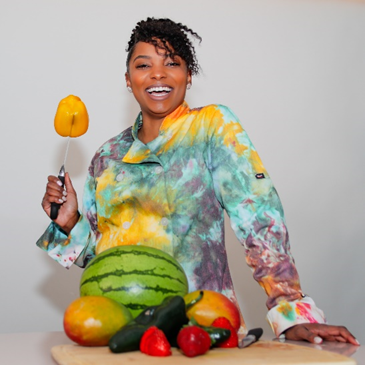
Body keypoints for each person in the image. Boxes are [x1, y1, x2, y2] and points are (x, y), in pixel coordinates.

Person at [37, 17, 359, 345]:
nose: (157, 74)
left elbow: (259, 219)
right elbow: (102, 264)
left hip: (203, 332)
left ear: (188, 76)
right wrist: (69, 223)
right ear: (128, 79)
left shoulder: (211, 127)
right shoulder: (106, 157)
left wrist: (291, 311)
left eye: (172, 63)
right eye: (143, 64)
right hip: (126, 336)